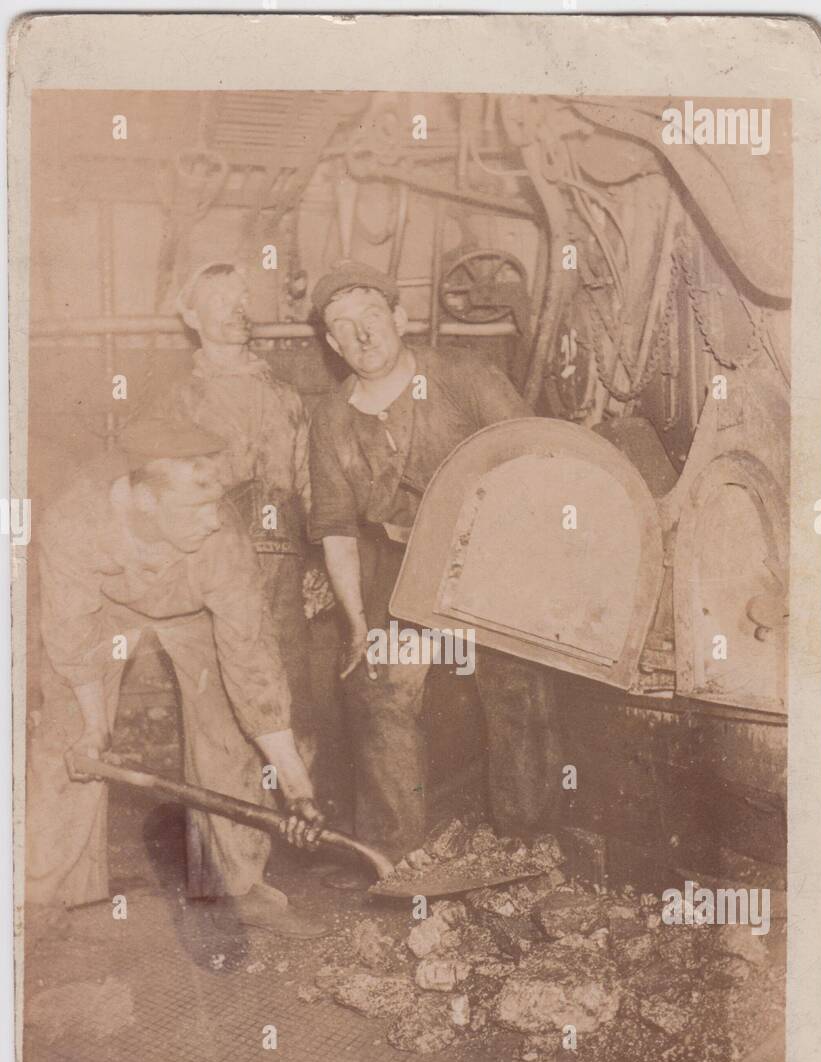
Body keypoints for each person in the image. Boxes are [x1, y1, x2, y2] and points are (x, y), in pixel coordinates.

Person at [26, 418, 326, 938]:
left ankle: (238, 885)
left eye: (216, 504)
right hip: (103, 612)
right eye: (198, 509)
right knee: (67, 734)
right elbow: (73, 635)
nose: (215, 521)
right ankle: (43, 894)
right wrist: (95, 728)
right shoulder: (74, 520)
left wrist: (294, 780)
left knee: (230, 735)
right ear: (145, 501)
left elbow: (251, 661)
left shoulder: (222, 541)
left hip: (196, 616)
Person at [308, 259, 537, 861]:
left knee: (514, 690)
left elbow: (535, 462)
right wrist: (358, 624)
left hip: (491, 553)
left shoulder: (465, 375)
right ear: (332, 344)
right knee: (381, 693)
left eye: (372, 317)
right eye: (344, 326)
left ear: (399, 318)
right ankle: (395, 857)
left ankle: (530, 844)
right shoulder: (330, 418)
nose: (362, 335)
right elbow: (334, 527)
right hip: (399, 562)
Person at [169, 261, 316, 765]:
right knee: (219, 714)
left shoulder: (284, 394)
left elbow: (306, 483)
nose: (238, 308)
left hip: (282, 568)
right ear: (191, 315)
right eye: (219, 299)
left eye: (242, 297)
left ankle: (295, 830)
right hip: (211, 566)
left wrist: (315, 560)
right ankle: (222, 841)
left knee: (292, 705)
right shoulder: (180, 402)